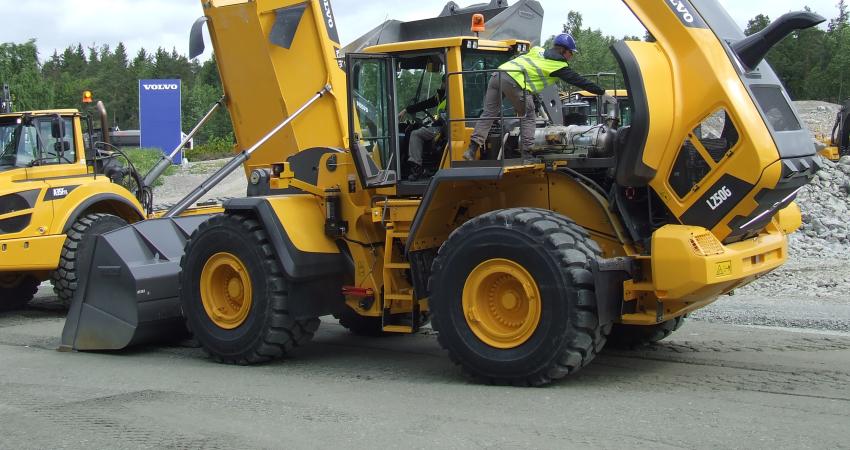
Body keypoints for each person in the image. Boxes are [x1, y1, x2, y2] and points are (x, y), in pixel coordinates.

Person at [463, 33, 613, 160]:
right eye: (571, 52)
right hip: (515, 80)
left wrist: (531, 94)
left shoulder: (537, 50)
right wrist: (602, 92)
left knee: (489, 113)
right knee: (528, 115)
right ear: (563, 51)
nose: (571, 56)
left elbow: (529, 68)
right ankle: (527, 153)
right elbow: (580, 81)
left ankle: (471, 150)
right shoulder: (559, 66)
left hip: (498, 75)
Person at [399, 75, 446, 180]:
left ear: (446, 83)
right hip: (441, 126)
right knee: (420, 129)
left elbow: (445, 116)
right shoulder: (442, 96)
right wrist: (407, 110)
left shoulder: (451, 96)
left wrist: (436, 122)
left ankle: (416, 167)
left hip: (442, 128)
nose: (441, 84)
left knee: (416, 134)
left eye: (443, 82)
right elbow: (425, 104)